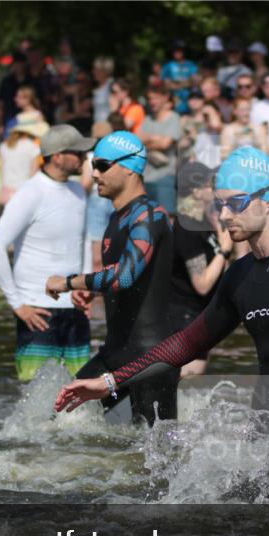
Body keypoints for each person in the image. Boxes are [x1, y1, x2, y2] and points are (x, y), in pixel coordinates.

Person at [54, 146, 269, 505]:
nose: (223, 215)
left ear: (268, 200)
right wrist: (109, 382)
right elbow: (184, 344)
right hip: (268, 442)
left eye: (235, 203)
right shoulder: (240, 276)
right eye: (219, 204)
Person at [45, 131, 176, 426]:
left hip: (152, 356)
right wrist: (95, 290)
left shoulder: (150, 215)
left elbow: (126, 275)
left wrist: (69, 282)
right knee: (57, 422)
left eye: (102, 165)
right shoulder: (117, 218)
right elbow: (127, 279)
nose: (94, 173)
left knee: (154, 456)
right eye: (93, 165)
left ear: (130, 167)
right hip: (116, 352)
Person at [0, 125, 94, 380]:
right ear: (57, 156)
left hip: (75, 309)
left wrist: (86, 285)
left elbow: (84, 240)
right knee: (35, 399)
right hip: (37, 312)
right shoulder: (31, 192)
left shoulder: (78, 190)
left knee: (81, 396)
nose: (83, 158)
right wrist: (17, 305)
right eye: (77, 152)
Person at [170, 162, 233, 376]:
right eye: (210, 186)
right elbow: (202, 284)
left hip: (200, 317)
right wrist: (224, 251)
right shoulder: (186, 227)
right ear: (197, 192)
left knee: (191, 397)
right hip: (185, 320)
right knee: (186, 394)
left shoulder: (202, 223)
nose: (215, 190)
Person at [138, 86, 183, 213]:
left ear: (165, 97)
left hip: (165, 177)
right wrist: (156, 138)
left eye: (155, 98)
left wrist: (147, 140)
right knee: (146, 218)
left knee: (167, 216)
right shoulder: (147, 119)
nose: (152, 102)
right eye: (150, 99)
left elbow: (165, 144)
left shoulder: (173, 118)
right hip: (146, 177)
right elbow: (137, 141)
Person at [0, 111, 44, 207]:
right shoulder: (33, 147)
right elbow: (34, 173)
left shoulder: (4, 146)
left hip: (7, 192)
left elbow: (1, 171)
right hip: (25, 193)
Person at [162, 40, 199, 115]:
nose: (177, 52)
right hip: (174, 101)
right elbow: (167, 84)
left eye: (180, 50)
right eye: (175, 50)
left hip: (190, 100)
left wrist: (177, 84)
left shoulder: (191, 64)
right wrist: (186, 83)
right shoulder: (168, 66)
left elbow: (195, 81)